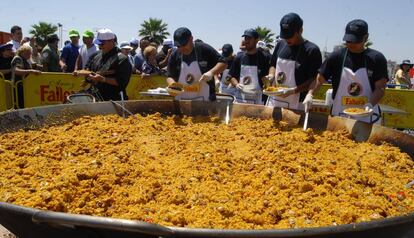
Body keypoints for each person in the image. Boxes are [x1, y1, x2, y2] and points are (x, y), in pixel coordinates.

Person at [304, 19, 388, 124]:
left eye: (355, 41)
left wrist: (370, 104)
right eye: (348, 40)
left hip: (367, 117)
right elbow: (319, 80)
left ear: (366, 37)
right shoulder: (336, 57)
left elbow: (380, 88)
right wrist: (310, 94)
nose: (351, 44)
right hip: (340, 115)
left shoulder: (376, 58)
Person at [266, 13, 322, 110]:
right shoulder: (280, 44)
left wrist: (292, 91)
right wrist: (271, 75)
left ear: (300, 30)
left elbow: (313, 79)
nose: (287, 38)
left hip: (297, 103)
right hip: (275, 100)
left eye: (290, 35)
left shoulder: (311, 50)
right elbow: (273, 65)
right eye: (285, 35)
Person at [166, 27, 227, 101]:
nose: (182, 48)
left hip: (205, 101)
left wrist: (211, 73)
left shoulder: (204, 49)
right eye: (178, 46)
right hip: (182, 101)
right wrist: (173, 85)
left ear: (191, 39)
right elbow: (169, 75)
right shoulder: (174, 55)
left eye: (184, 45)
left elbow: (223, 63)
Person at [84, 28, 132, 101]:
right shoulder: (95, 55)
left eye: (102, 43)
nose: (100, 46)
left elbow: (121, 82)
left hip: (113, 100)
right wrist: (88, 76)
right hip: (95, 98)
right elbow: (87, 69)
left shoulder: (122, 59)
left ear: (112, 42)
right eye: (99, 44)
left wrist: (102, 79)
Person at [228, 29, 271, 104]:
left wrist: (267, 82)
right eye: (245, 38)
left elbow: (270, 76)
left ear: (256, 40)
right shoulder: (239, 57)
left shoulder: (265, 58)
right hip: (240, 99)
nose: (247, 41)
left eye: (249, 38)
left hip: (258, 100)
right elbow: (230, 76)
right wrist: (236, 84)